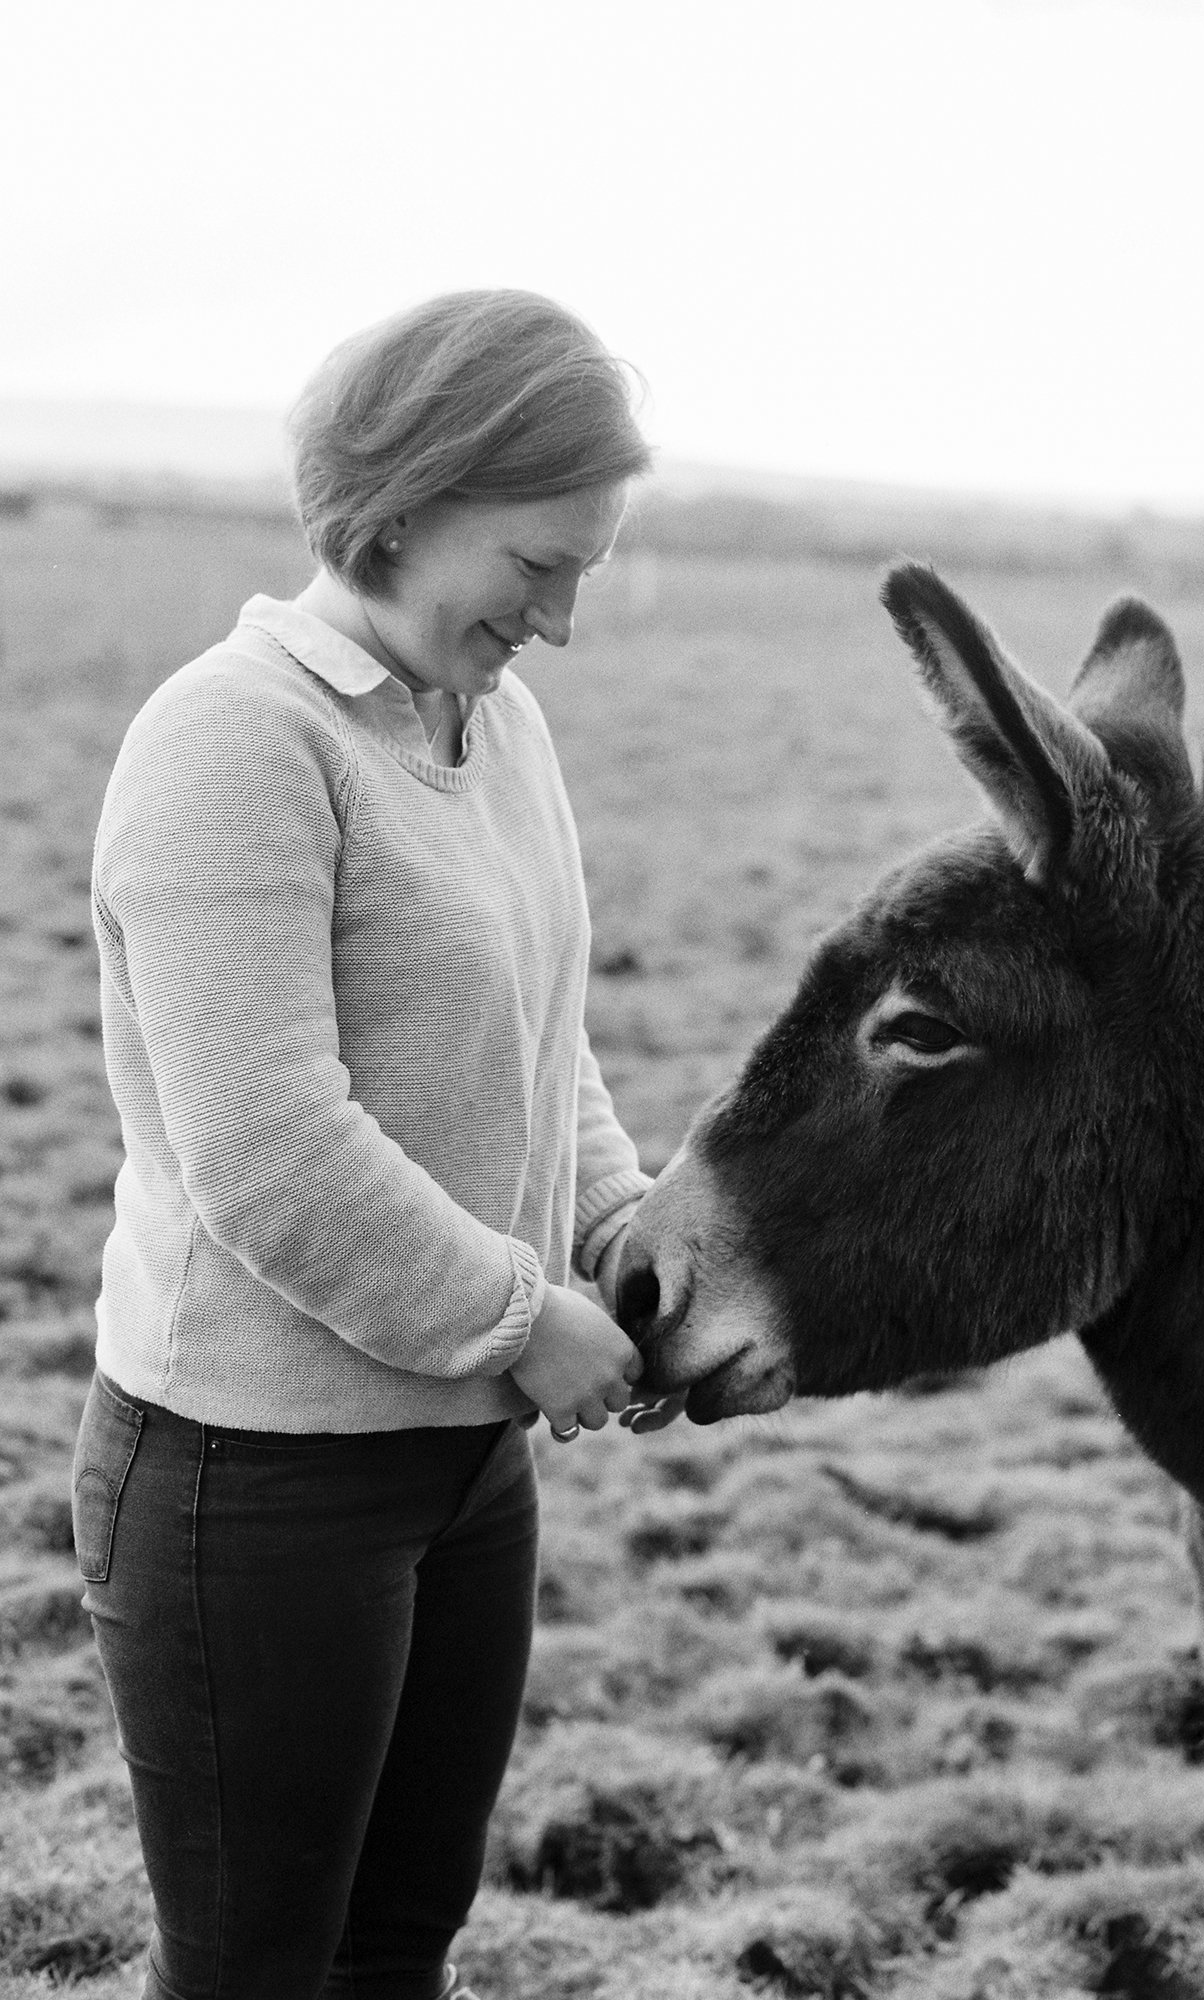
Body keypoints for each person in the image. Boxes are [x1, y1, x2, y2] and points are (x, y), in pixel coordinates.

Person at [73, 290, 669, 2000]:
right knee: (261, 1971)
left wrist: (616, 1227)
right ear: (405, 501)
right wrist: (523, 1320)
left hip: (463, 1465)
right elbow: (270, 1151)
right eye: (539, 566)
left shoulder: (492, 725)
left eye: (587, 576)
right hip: (252, 1485)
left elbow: (540, 1035)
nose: (558, 621)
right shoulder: (234, 741)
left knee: (399, 1952)